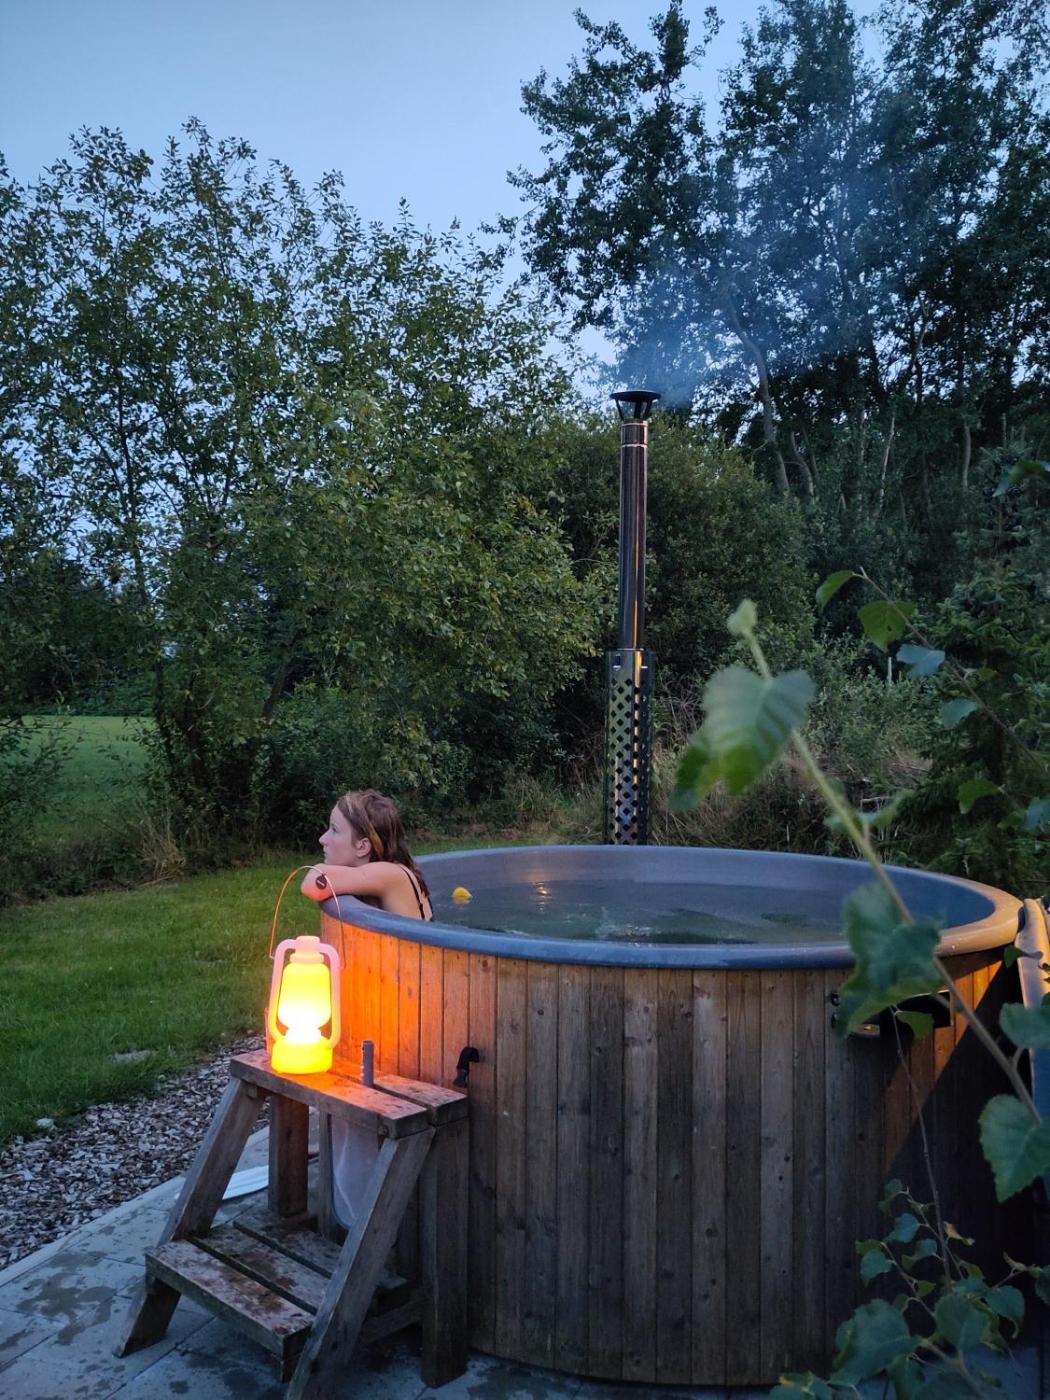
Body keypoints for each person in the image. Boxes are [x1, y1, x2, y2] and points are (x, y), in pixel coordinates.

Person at [299, 789, 432, 1231]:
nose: (323, 838)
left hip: (418, 1023)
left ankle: (361, 1222)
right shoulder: (388, 873)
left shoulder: (391, 875)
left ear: (362, 846)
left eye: (334, 830)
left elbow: (313, 882)